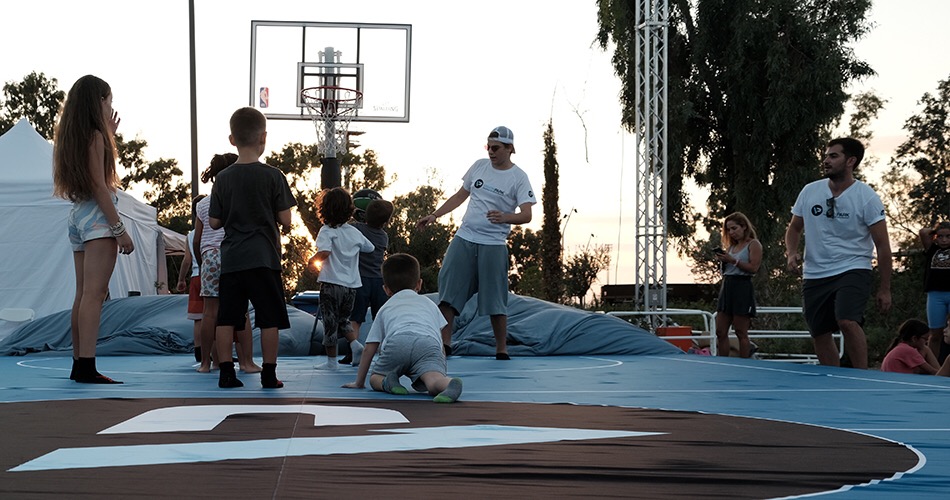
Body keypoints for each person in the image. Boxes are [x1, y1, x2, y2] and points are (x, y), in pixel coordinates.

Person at [415, 126, 536, 360]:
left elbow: (526, 215)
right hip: (465, 237)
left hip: (493, 244)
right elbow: (460, 196)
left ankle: (501, 348)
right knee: (448, 291)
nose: (491, 152)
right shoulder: (479, 166)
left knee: (496, 298)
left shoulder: (518, 177)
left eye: (496, 148)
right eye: (488, 147)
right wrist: (435, 215)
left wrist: (505, 217)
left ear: (510, 148)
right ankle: (445, 343)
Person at [784, 137, 892, 369]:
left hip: (853, 267)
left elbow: (883, 246)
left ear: (850, 161)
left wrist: (885, 288)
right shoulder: (809, 191)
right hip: (815, 272)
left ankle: (861, 377)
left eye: (834, 156)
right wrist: (791, 253)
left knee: (847, 320)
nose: (826, 160)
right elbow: (794, 228)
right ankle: (832, 378)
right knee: (819, 331)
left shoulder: (867, 197)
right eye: (825, 156)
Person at [208, 107, 296, 389]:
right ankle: (269, 374)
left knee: (228, 317)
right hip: (264, 257)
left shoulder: (222, 179)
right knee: (269, 318)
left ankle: (225, 372)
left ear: (232, 139)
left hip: (232, 258)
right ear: (264, 137)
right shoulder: (273, 176)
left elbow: (213, 221)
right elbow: (285, 219)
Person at [52, 75, 132, 384]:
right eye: (108, 101)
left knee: (83, 294)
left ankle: (79, 362)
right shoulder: (96, 137)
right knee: (94, 295)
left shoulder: (74, 138)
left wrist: (109, 135)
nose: (111, 108)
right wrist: (119, 228)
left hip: (78, 217)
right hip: (98, 218)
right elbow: (101, 185)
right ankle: (87, 364)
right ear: (98, 102)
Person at [342, 253, 463, 403]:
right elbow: (439, 339)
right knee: (433, 380)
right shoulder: (430, 304)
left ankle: (387, 382)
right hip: (428, 345)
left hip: (398, 342)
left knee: (375, 378)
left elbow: (370, 348)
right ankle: (446, 384)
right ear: (419, 284)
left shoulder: (386, 308)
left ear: (386, 289)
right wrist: (440, 369)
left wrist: (359, 382)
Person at [194, 153, 260, 374]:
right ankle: (246, 362)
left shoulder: (203, 204)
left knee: (210, 312)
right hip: (234, 254)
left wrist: (202, 260)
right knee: (240, 311)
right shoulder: (240, 198)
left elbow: (197, 238)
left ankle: (205, 363)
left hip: (210, 256)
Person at [312, 187, 375, 371]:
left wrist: (311, 262)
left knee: (330, 322)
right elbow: (369, 248)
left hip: (331, 283)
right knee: (344, 320)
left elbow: (324, 252)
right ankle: (356, 346)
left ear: (324, 209)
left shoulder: (326, 231)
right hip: (351, 286)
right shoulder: (354, 232)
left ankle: (331, 362)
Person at [343, 198, 396, 366]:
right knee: (380, 317)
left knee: (355, 318)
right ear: (386, 222)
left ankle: (352, 352)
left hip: (360, 280)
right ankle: (385, 351)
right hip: (379, 281)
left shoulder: (356, 229)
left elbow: (347, 227)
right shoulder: (384, 237)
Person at [713, 212, 762, 358]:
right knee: (720, 331)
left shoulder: (753, 244)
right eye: (728, 230)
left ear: (744, 227)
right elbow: (727, 269)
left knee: (741, 331)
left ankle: (744, 361)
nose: (731, 232)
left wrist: (733, 261)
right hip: (727, 286)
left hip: (742, 287)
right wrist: (723, 261)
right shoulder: (731, 247)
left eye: (734, 228)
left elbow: (754, 268)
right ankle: (723, 361)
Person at [176, 194, 206, 363]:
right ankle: (216, 351)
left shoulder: (191, 235)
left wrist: (181, 280)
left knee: (197, 318)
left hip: (195, 277)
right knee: (213, 315)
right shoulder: (214, 229)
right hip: (210, 275)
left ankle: (199, 350)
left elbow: (187, 260)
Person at [917, 222, 950, 363]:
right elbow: (924, 232)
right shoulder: (932, 249)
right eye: (940, 236)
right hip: (935, 294)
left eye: (948, 236)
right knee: (935, 334)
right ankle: (934, 366)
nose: (944, 240)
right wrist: (935, 230)